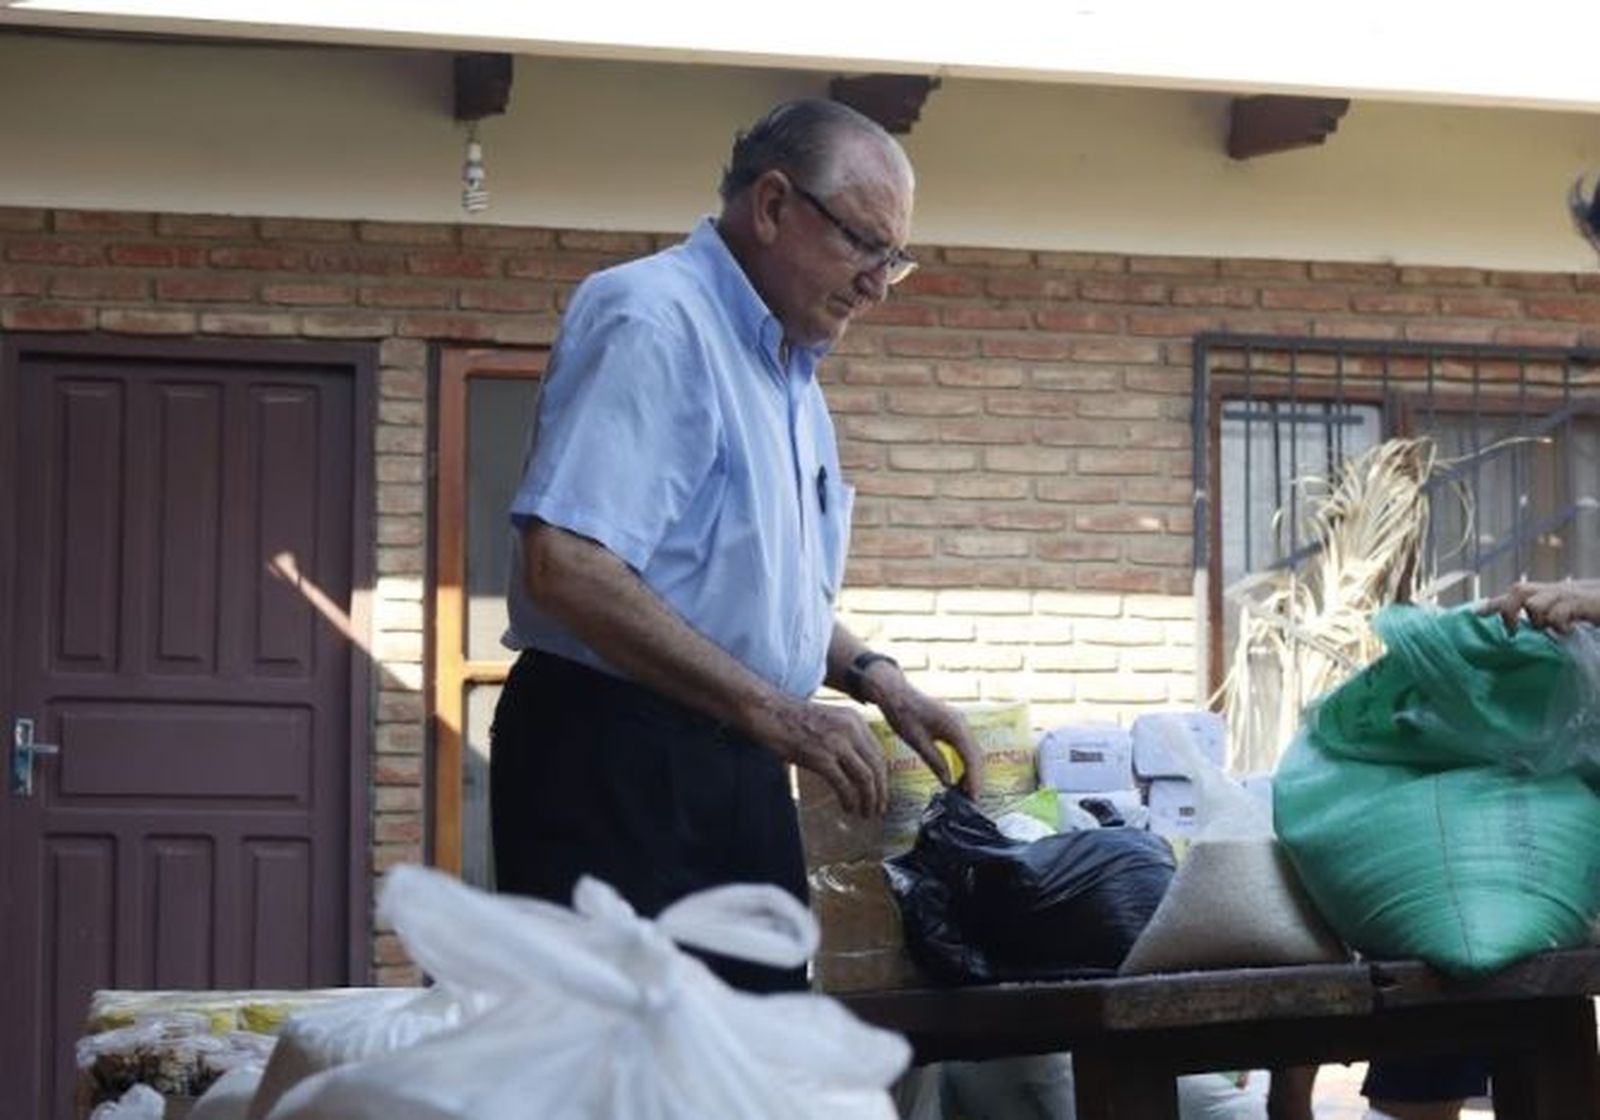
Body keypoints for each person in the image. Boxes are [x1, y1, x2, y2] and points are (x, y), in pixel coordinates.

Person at [490, 98, 983, 993]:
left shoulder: (789, 374)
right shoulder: (654, 318)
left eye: (893, 260)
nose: (877, 284)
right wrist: (777, 713)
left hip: (736, 758)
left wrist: (877, 680)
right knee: (633, 1056)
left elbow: (745, 592)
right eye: (864, 245)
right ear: (772, 206)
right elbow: (566, 566)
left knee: (752, 1048)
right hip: (618, 761)